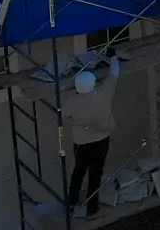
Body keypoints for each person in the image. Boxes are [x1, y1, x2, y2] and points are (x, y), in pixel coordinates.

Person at [63, 55, 121, 217]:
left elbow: (64, 117)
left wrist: (78, 123)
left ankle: (72, 201)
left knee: (78, 171)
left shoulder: (72, 102)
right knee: (95, 174)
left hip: (81, 143)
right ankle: (92, 207)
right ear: (92, 85)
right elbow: (114, 72)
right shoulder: (102, 94)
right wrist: (113, 57)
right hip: (100, 141)